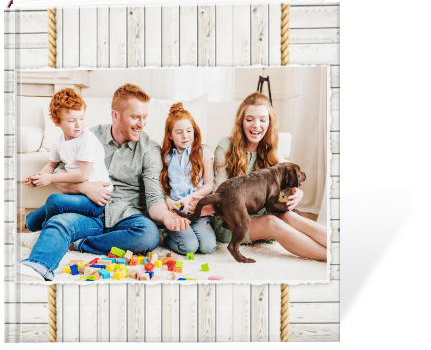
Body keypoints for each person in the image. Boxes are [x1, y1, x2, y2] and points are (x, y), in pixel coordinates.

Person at [18, 84, 190, 281]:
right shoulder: (90, 136)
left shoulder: (149, 150)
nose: (141, 124)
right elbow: (59, 170)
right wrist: (84, 187)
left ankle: (79, 243)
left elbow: (154, 198)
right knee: (61, 221)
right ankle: (37, 266)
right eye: (135, 117)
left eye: (144, 117)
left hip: (126, 217)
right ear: (115, 115)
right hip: (89, 211)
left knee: (149, 234)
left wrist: (166, 216)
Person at [193, 92, 327, 262]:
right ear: (241, 121)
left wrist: (295, 193)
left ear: (269, 122)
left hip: (260, 214)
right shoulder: (225, 147)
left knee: (290, 216)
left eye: (263, 120)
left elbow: (281, 192)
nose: (256, 126)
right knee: (272, 222)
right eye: (249, 119)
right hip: (231, 222)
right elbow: (219, 196)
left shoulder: (271, 150)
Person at [24, 88, 113, 233]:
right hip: (75, 196)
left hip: (95, 200)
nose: (79, 125)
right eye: (71, 121)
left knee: (53, 201)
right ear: (56, 121)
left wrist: (51, 179)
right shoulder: (59, 142)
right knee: (30, 222)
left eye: (82, 118)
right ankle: (52, 224)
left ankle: (50, 231)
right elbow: (51, 165)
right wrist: (39, 177)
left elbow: (83, 175)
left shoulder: (87, 139)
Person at [159, 103, 216, 255]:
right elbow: (164, 187)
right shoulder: (166, 157)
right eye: (179, 132)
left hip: (199, 213)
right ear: (170, 134)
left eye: (189, 131)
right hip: (177, 212)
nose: (185, 136)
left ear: (194, 131)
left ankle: (188, 232)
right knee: (190, 247)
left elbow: (209, 185)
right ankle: (167, 235)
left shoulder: (204, 152)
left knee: (208, 247)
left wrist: (189, 198)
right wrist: (168, 200)